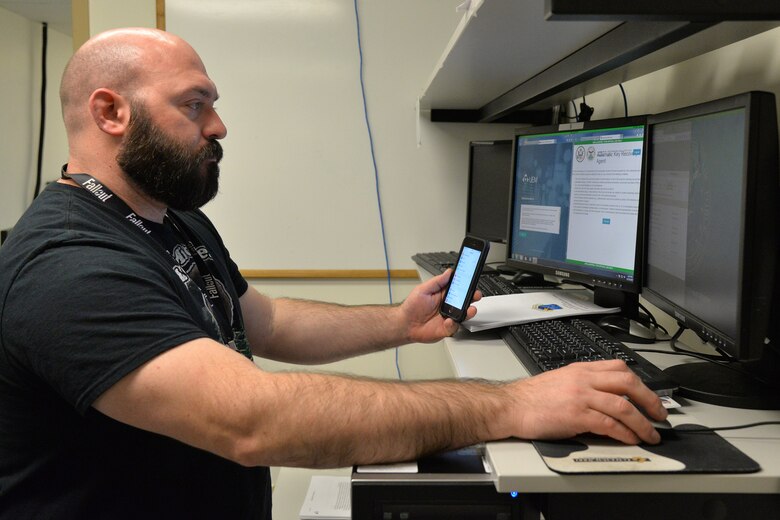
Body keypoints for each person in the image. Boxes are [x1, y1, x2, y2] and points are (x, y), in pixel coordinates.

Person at [0, 28, 666, 518]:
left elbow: (263, 320)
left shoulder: (163, 217)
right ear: (111, 113)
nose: (220, 125)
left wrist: (401, 325)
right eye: (194, 105)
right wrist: (511, 404)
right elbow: (252, 420)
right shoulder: (68, 265)